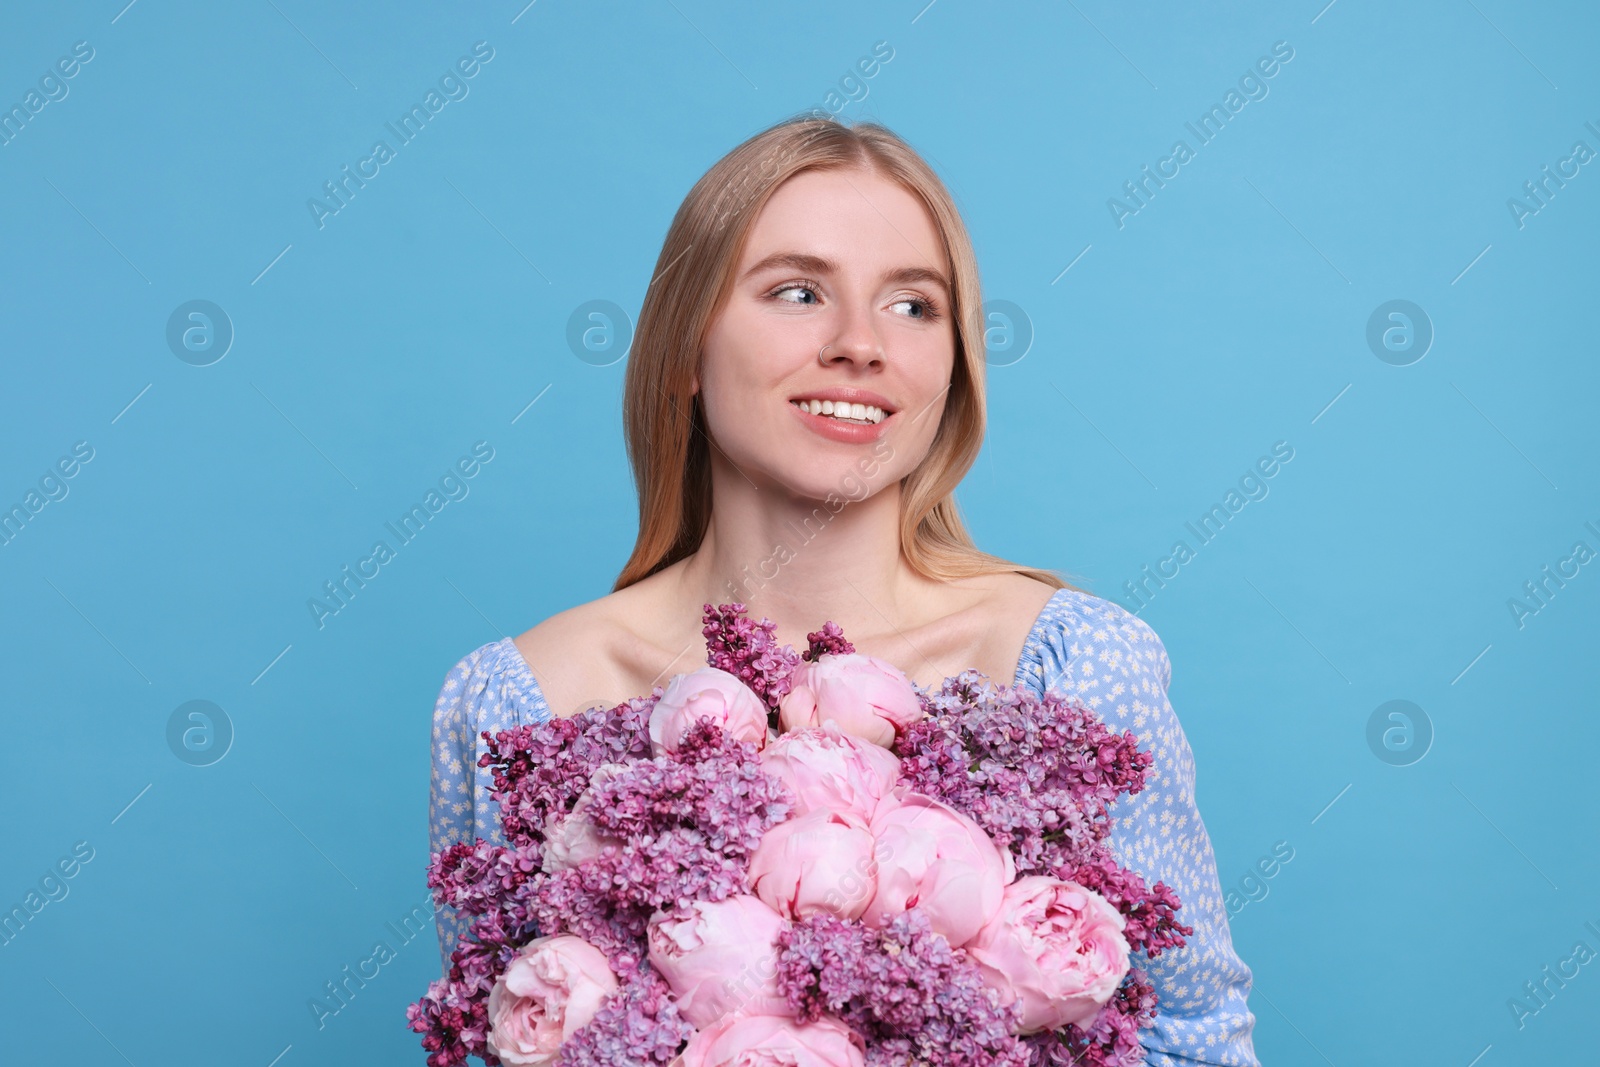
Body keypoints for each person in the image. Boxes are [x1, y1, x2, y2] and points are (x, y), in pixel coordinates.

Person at [428, 115, 1259, 1065]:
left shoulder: (1075, 666)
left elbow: (1195, 1039)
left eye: (913, 305)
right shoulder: (515, 702)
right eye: (798, 291)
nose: (861, 344)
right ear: (686, 348)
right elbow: (497, 1036)